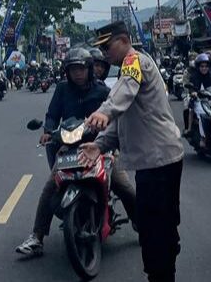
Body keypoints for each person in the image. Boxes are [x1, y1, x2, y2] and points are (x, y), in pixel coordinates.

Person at [78, 21, 185, 282]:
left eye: (107, 46)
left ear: (124, 40)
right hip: (154, 161)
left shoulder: (134, 62)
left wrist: (104, 111)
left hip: (159, 160)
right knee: (156, 226)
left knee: (155, 229)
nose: (104, 53)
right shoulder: (129, 68)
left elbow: (123, 91)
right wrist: (99, 145)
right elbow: (121, 123)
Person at [15, 48, 137, 256]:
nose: (77, 73)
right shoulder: (62, 89)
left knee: (123, 185)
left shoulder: (102, 91)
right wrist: (48, 131)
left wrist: (110, 138)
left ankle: (141, 222)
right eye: (73, 70)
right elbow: (52, 115)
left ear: (89, 69)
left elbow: (115, 115)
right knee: (49, 188)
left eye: (81, 69)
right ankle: (37, 236)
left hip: (101, 147)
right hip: (70, 147)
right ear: (67, 72)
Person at [184, 53, 211, 148]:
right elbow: (190, 88)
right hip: (199, 101)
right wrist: (193, 92)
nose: (204, 68)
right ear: (198, 67)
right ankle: (203, 137)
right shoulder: (194, 77)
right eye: (202, 66)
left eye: (206, 66)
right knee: (203, 114)